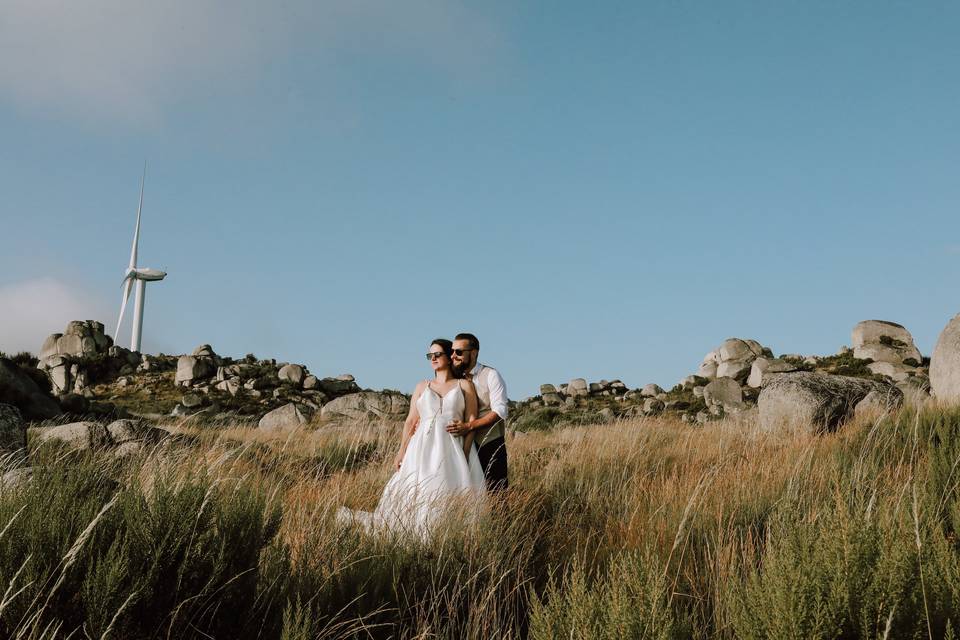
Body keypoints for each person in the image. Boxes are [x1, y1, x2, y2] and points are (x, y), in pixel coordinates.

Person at [338, 339, 486, 537]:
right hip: (422, 447)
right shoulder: (422, 386)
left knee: (449, 489)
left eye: (437, 354)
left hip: (453, 446)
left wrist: (465, 453)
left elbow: (471, 421)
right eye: (429, 356)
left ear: (450, 356)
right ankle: (417, 532)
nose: (432, 358)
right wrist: (401, 451)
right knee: (420, 489)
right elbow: (410, 421)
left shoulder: (465, 385)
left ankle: (444, 535)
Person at [446, 333, 509, 491]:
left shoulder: (491, 375)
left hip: (490, 444)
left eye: (459, 352)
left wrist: (469, 426)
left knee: (496, 493)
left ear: (473, 353)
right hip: (460, 444)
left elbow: (500, 410)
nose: (453, 356)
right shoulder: (453, 378)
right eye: (452, 352)